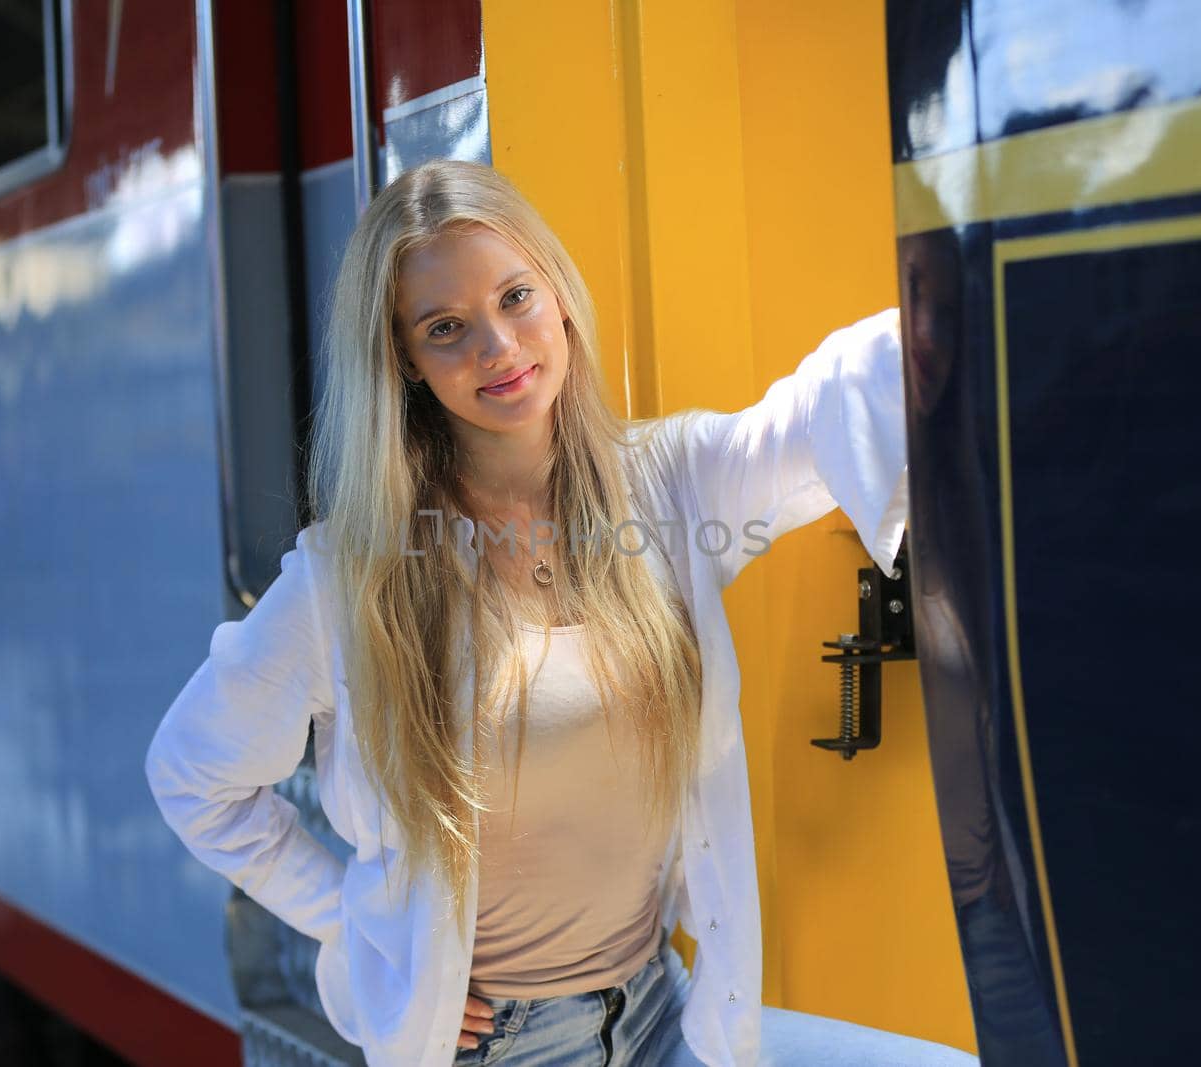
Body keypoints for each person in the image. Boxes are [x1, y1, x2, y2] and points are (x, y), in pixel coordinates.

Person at [145, 159, 979, 1066]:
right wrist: (358, 924)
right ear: (406, 364)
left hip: (665, 1011)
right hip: (501, 1048)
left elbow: (814, 413)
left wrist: (951, 320)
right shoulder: (354, 577)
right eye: (446, 328)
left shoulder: (666, 483)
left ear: (560, 296)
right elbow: (193, 774)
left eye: (515, 297)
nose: (498, 347)